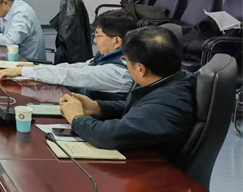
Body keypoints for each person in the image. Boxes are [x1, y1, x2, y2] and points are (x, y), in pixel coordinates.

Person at [60, 26, 196, 160]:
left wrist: (77, 118)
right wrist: (98, 107)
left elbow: (106, 136)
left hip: (149, 169)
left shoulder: (168, 102)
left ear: (140, 68)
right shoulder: (171, 79)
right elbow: (136, 110)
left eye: (126, 60)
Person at [0, 10, 136, 100]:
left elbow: (71, 75)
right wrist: (34, 71)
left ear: (117, 41)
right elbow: (79, 67)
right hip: (73, 99)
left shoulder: (119, 72)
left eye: (98, 35)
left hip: (92, 119)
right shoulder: (108, 56)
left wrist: (24, 71)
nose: (94, 40)